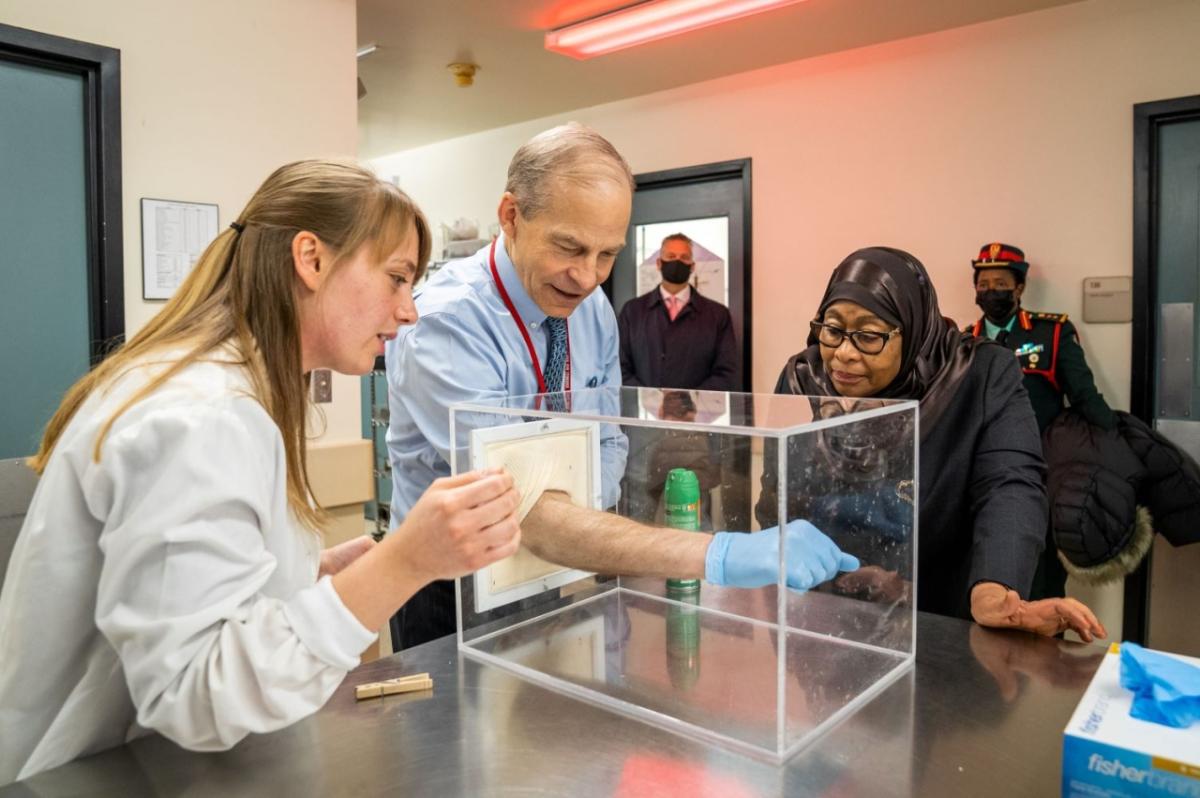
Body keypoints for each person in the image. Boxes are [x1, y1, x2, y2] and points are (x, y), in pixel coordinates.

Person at [0, 160, 525, 784]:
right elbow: (197, 692)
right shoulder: (205, 415)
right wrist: (402, 566)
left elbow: (194, 599)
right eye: (395, 279)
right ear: (311, 259)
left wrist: (304, 579)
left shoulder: (224, 387)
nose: (408, 311)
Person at [386, 123, 858, 649]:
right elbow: (518, 507)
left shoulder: (592, 313)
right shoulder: (447, 323)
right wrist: (714, 553)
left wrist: (581, 534)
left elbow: (609, 441)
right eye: (570, 247)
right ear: (511, 216)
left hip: (554, 572)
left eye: (607, 254)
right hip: (451, 591)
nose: (587, 277)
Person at [764, 245, 1107, 641]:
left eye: (869, 336)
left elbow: (1010, 484)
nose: (843, 354)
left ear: (911, 331)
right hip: (824, 609)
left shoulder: (975, 374)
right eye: (833, 329)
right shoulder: (803, 377)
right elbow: (778, 493)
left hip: (937, 613)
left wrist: (996, 585)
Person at [966, 242, 1116, 599]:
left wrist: (1116, 442)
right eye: (983, 284)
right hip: (982, 473)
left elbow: (1084, 396)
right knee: (988, 566)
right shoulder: (962, 340)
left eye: (1000, 283)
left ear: (1018, 288)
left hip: (1042, 471)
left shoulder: (1051, 333)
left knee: (1042, 578)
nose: (991, 292)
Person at [617, 233, 738, 391]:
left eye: (684, 257)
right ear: (659, 263)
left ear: (692, 266)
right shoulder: (632, 311)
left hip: (697, 412)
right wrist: (649, 398)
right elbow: (620, 367)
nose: (677, 262)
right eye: (671, 256)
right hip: (643, 412)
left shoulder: (718, 315)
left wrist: (690, 401)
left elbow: (726, 372)